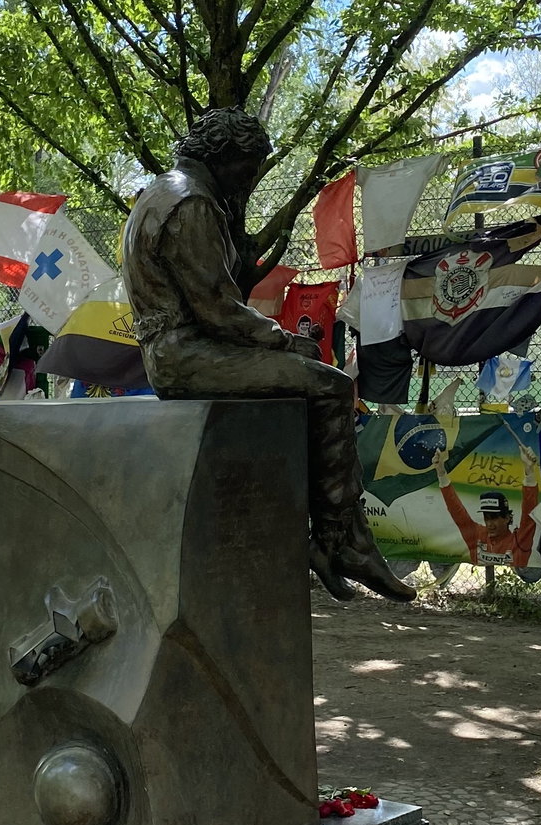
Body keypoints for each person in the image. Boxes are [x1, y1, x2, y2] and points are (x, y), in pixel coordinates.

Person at [121, 107, 414, 602]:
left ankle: (337, 538)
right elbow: (216, 307)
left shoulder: (165, 191)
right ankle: (341, 538)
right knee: (332, 384)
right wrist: (281, 338)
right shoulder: (190, 202)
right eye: (249, 166)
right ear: (224, 157)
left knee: (311, 381)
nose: (252, 178)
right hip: (187, 353)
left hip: (183, 348)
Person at [430, 444, 540, 567]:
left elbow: (529, 516)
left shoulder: (520, 541)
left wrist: (529, 472)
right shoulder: (478, 535)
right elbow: (457, 512)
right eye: (487, 517)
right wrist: (441, 473)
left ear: (507, 518)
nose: (489, 524)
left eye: (494, 517)